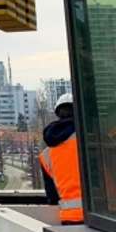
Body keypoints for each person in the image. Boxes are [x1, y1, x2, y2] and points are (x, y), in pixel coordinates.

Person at [39, 92, 84, 224]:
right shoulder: (88, 140)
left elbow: (52, 195)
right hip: (98, 216)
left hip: (68, 217)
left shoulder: (46, 154)